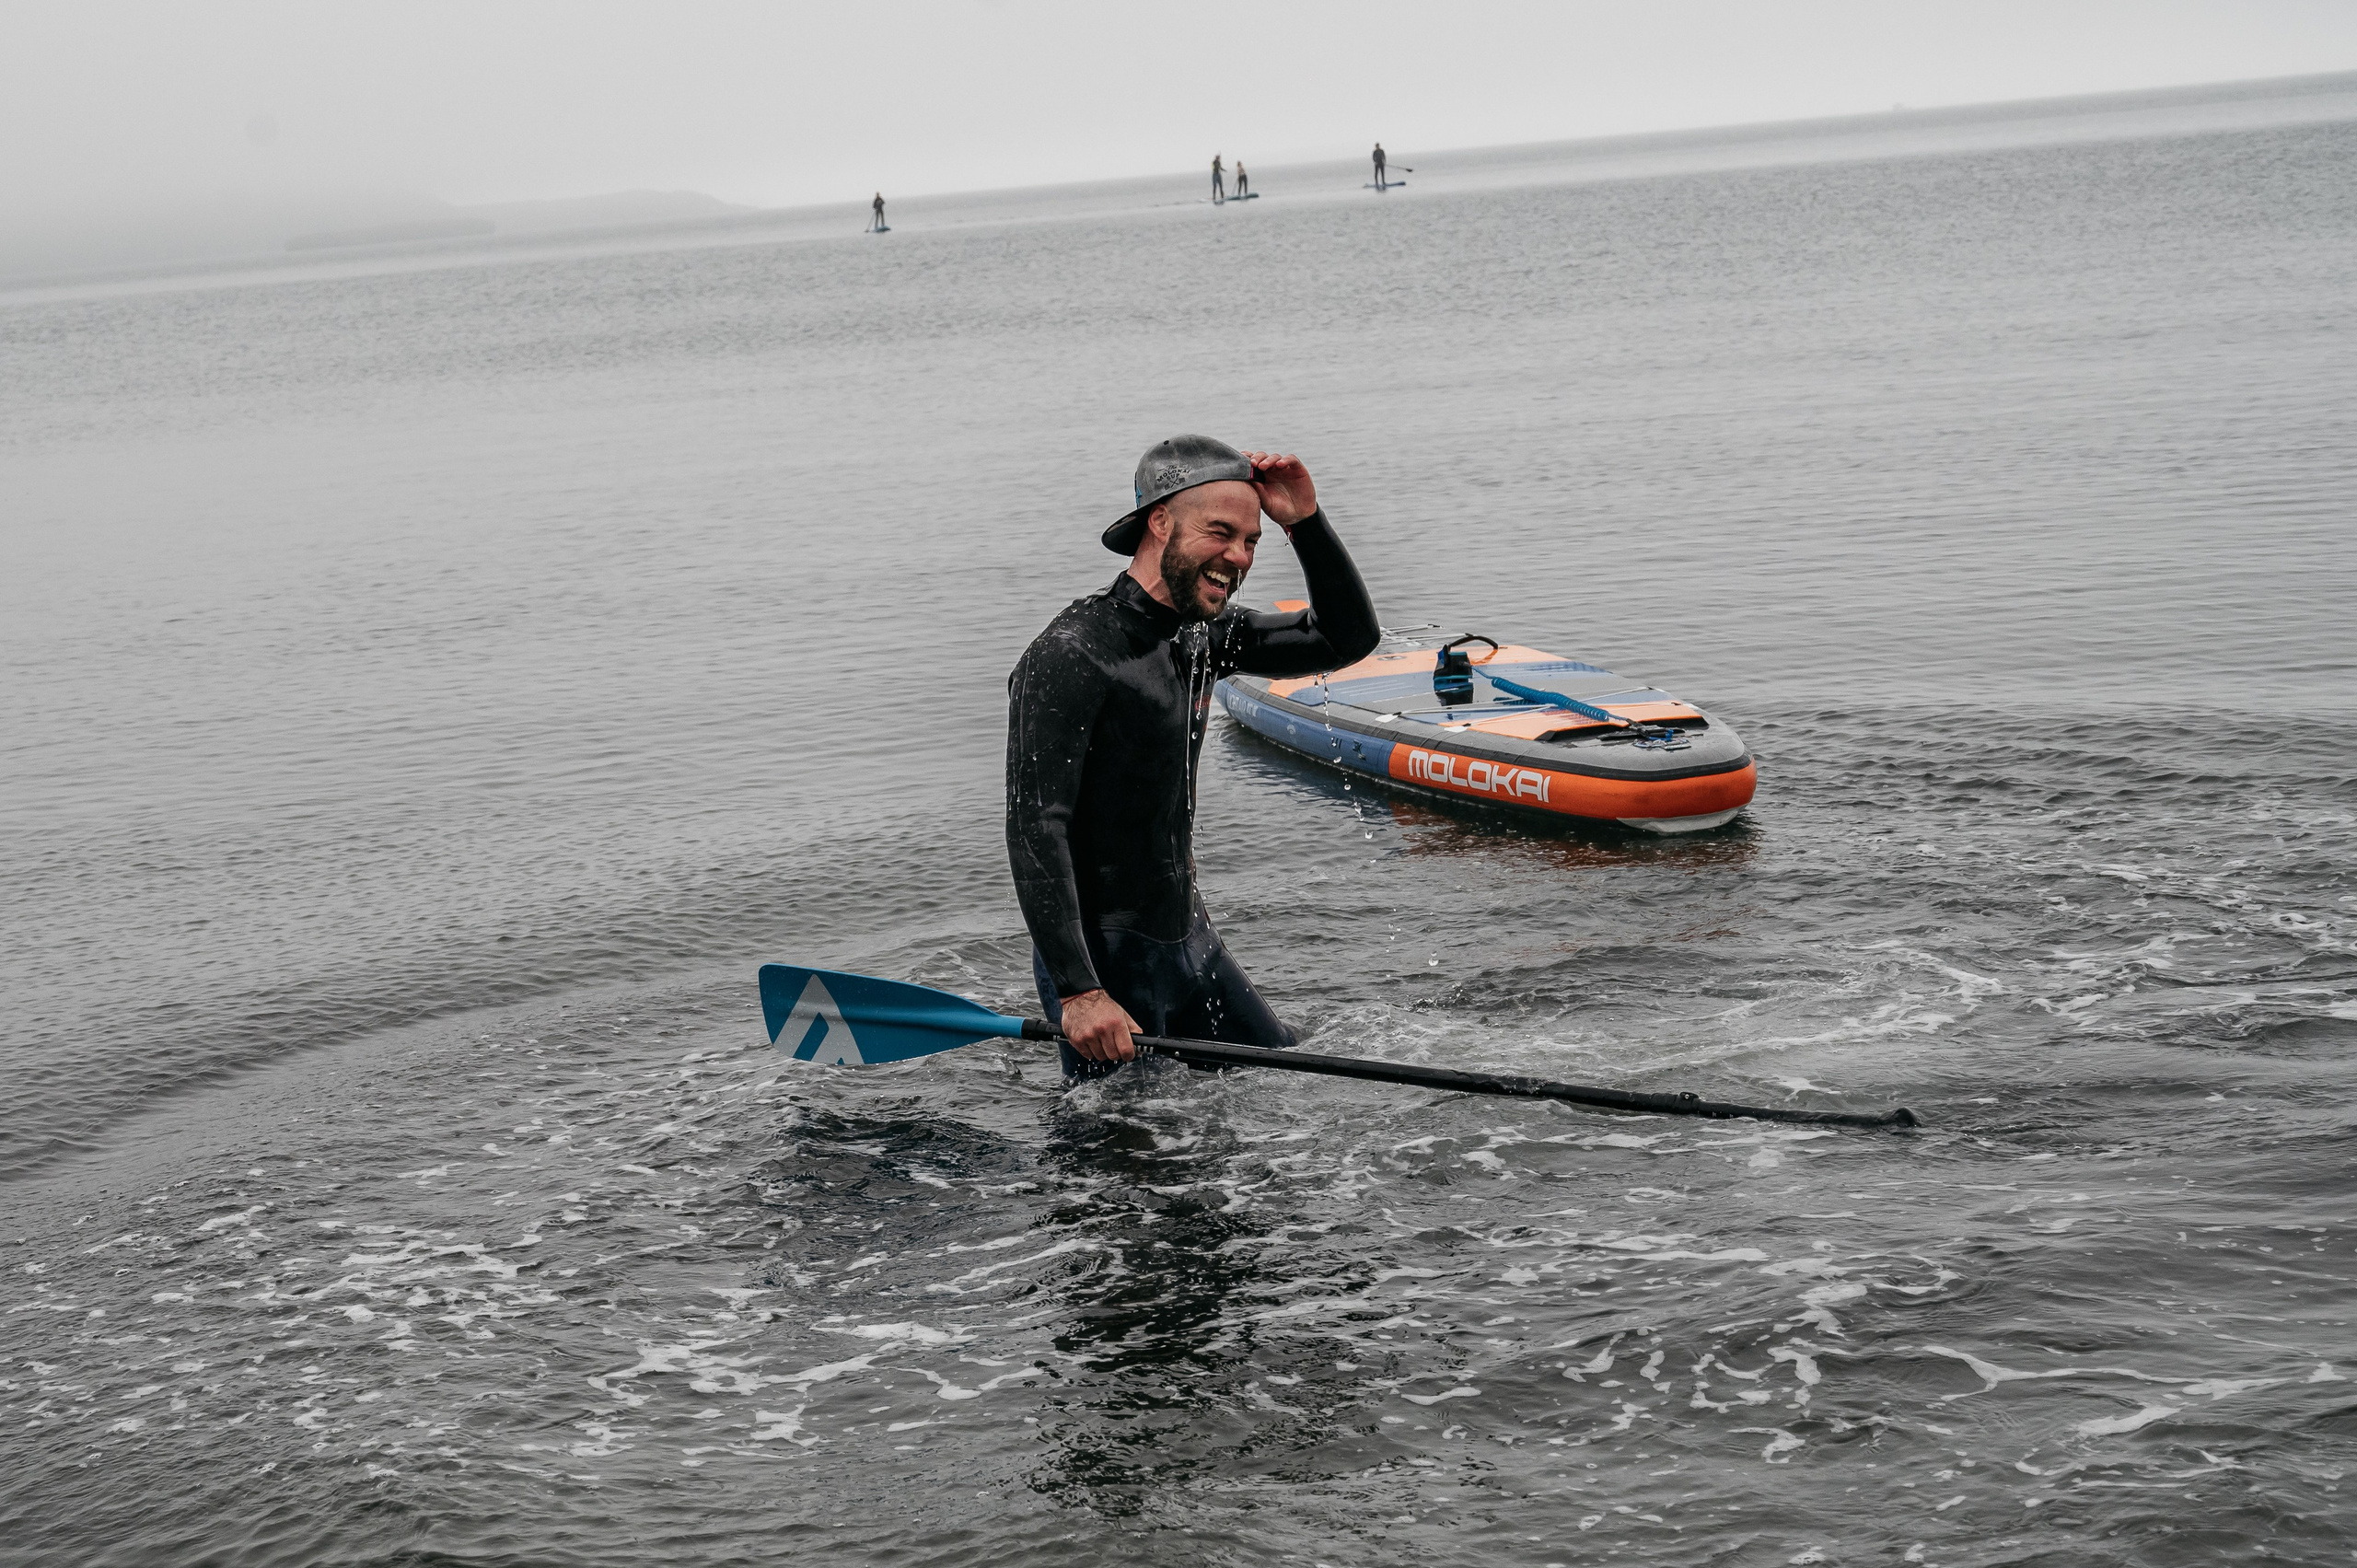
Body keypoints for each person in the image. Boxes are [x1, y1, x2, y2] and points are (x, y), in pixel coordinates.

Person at [1006, 436, 1381, 1082]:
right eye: (1220, 532)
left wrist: (1305, 523)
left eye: (1252, 541)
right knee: (1114, 1141)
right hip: (1106, 966)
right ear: (1160, 522)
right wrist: (1079, 993)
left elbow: (1345, 637)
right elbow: (1037, 826)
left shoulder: (1204, 636)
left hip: (1190, 943)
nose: (1239, 557)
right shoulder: (1072, 653)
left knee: (1289, 1076)